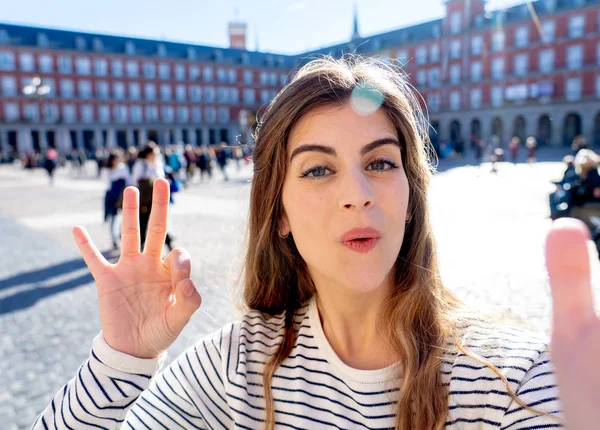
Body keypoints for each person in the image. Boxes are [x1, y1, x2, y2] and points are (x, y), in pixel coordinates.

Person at [34, 56, 600, 429]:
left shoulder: (507, 380)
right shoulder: (240, 367)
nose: (357, 194)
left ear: (411, 197)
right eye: (316, 171)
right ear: (277, 213)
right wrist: (120, 361)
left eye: (379, 162)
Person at [131, 141, 173, 252]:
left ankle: (168, 242)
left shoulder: (157, 163)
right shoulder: (141, 164)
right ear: (149, 153)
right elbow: (135, 181)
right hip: (145, 198)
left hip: (157, 197)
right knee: (144, 222)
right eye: (155, 152)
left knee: (159, 220)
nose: (156, 155)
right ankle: (141, 246)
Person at [103, 150, 130, 249]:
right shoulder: (108, 170)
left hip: (122, 195)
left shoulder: (123, 168)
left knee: (125, 217)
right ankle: (114, 239)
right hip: (112, 196)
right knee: (113, 218)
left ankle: (121, 236)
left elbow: (128, 181)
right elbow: (107, 184)